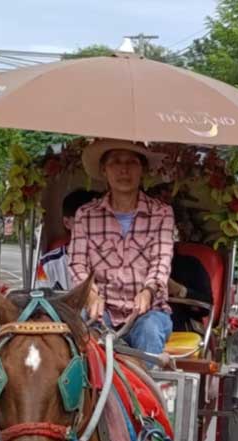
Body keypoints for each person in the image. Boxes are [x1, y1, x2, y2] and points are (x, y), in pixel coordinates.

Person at [68, 139, 175, 356]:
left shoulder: (162, 213)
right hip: (101, 310)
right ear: (104, 170)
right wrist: (91, 295)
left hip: (148, 313)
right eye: (116, 162)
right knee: (77, 334)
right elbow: (77, 264)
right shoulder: (85, 214)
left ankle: (144, 390)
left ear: (142, 169)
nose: (124, 169)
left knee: (150, 330)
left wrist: (148, 291)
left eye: (132, 162)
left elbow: (161, 261)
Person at [35, 189, 99, 291]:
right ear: (67, 223)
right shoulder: (46, 265)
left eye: (97, 221)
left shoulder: (112, 262)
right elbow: (39, 301)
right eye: (83, 221)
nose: (92, 227)